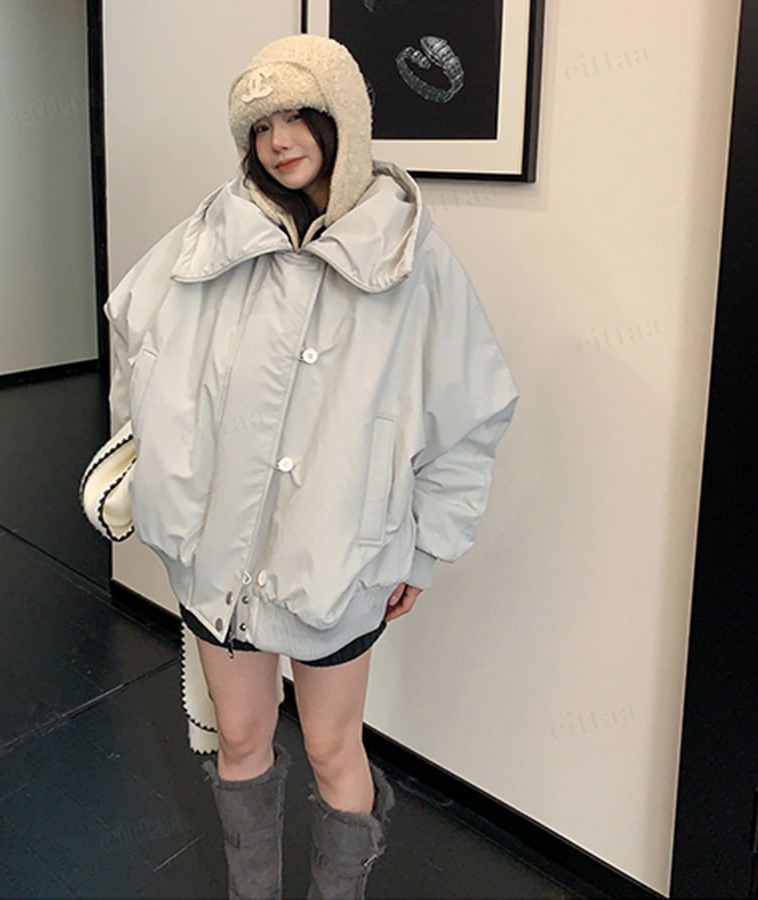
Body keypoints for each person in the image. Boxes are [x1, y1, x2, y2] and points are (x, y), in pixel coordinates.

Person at [104, 34, 518, 900]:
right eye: (260, 126)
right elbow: (139, 345)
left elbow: (471, 409)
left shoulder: (409, 256)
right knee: (241, 738)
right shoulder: (210, 236)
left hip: (338, 552)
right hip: (216, 548)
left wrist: (424, 547)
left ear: (344, 120)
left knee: (333, 747)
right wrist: (150, 472)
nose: (279, 140)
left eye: (298, 116)